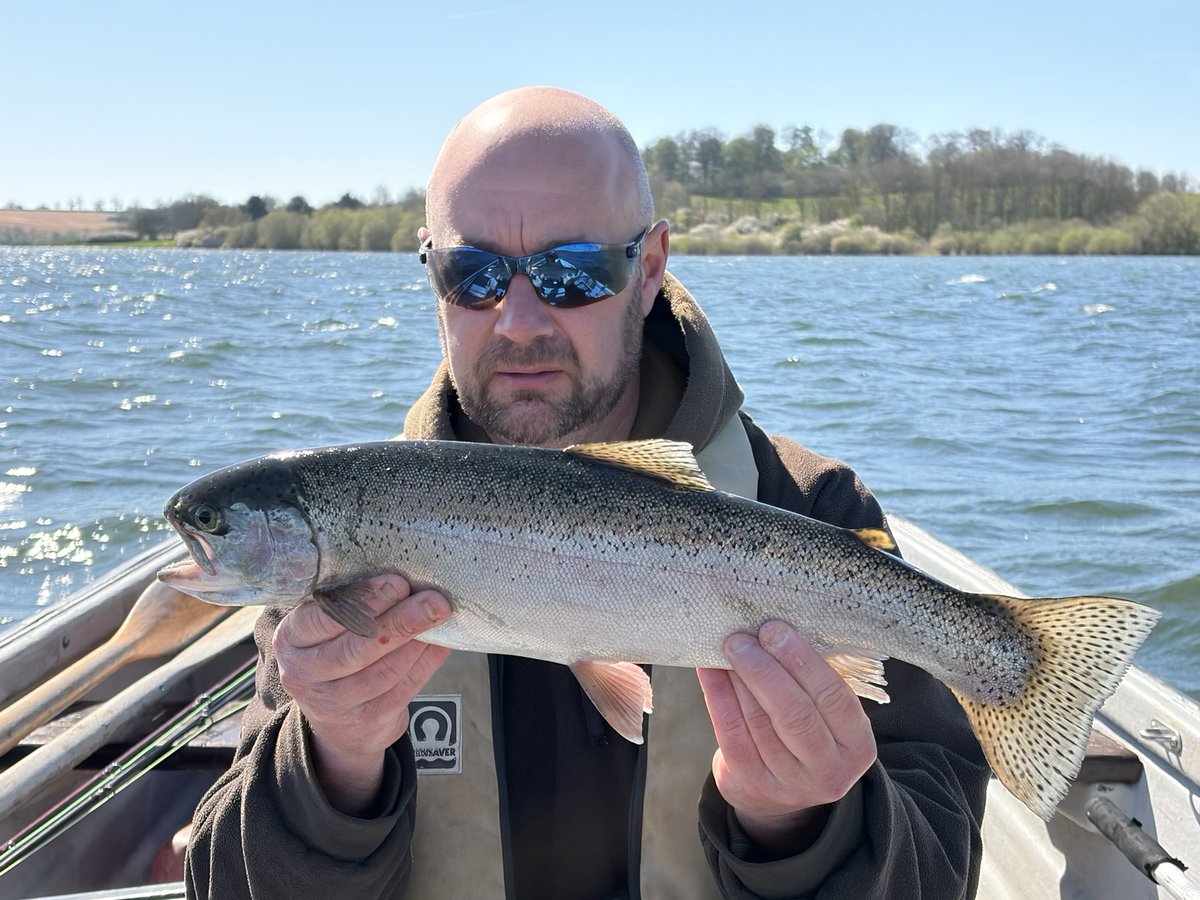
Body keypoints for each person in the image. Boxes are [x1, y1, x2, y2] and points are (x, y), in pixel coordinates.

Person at [185, 87, 989, 899]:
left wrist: (801, 827)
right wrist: (332, 763)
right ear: (431, 270)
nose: (519, 320)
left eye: (572, 272)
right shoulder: (345, 546)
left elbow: (942, 874)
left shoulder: (810, 506)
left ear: (650, 268)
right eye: (474, 274)